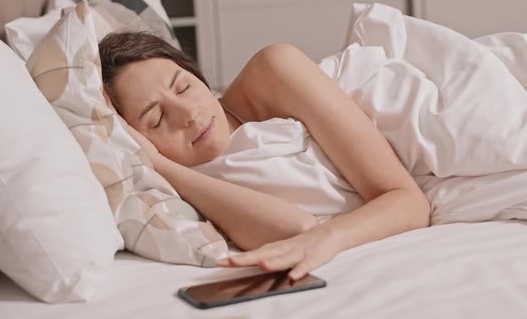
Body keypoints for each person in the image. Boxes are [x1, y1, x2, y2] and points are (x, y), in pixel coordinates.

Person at [98, 31, 430, 281]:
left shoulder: (273, 69)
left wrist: (330, 237)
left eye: (184, 87)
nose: (188, 113)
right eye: (156, 119)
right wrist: (159, 165)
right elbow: (298, 230)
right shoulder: (188, 187)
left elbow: (408, 202)